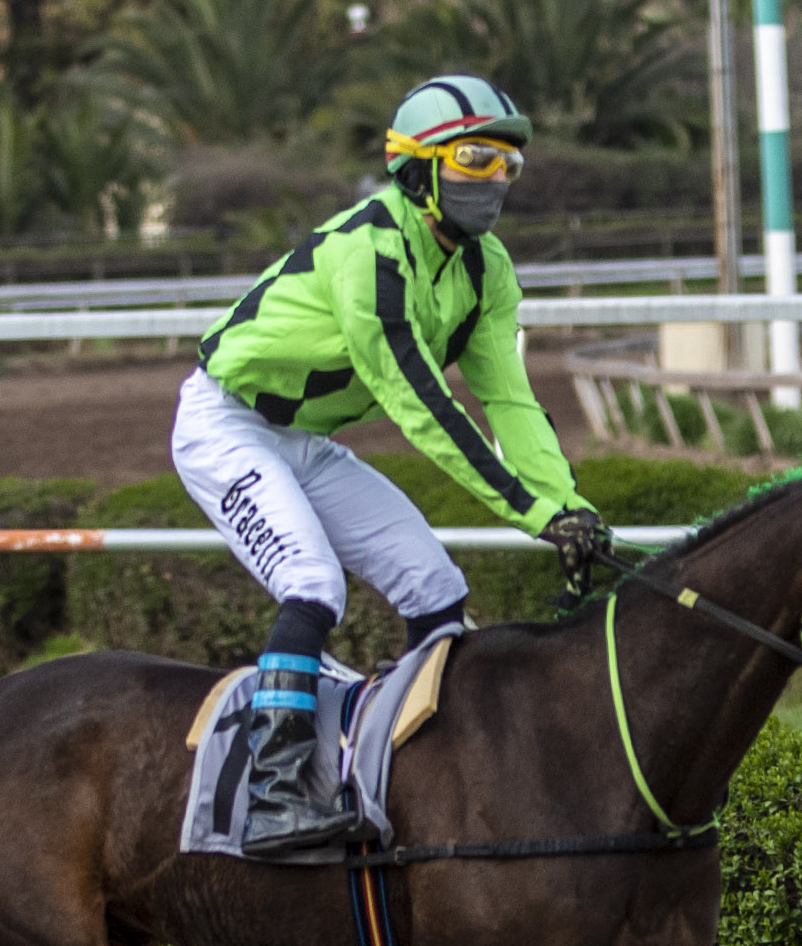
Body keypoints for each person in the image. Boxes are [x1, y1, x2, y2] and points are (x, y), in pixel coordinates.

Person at [171, 74, 609, 858]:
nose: (496, 179)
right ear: (418, 168)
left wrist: (569, 505)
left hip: (303, 441)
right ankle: (274, 794)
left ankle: (426, 778)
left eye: (508, 163)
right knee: (313, 584)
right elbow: (423, 408)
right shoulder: (369, 250)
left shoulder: (487, 267)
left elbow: (509, 401)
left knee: (437, 589)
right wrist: (533, 513)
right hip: (224, 424)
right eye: (475, 159)